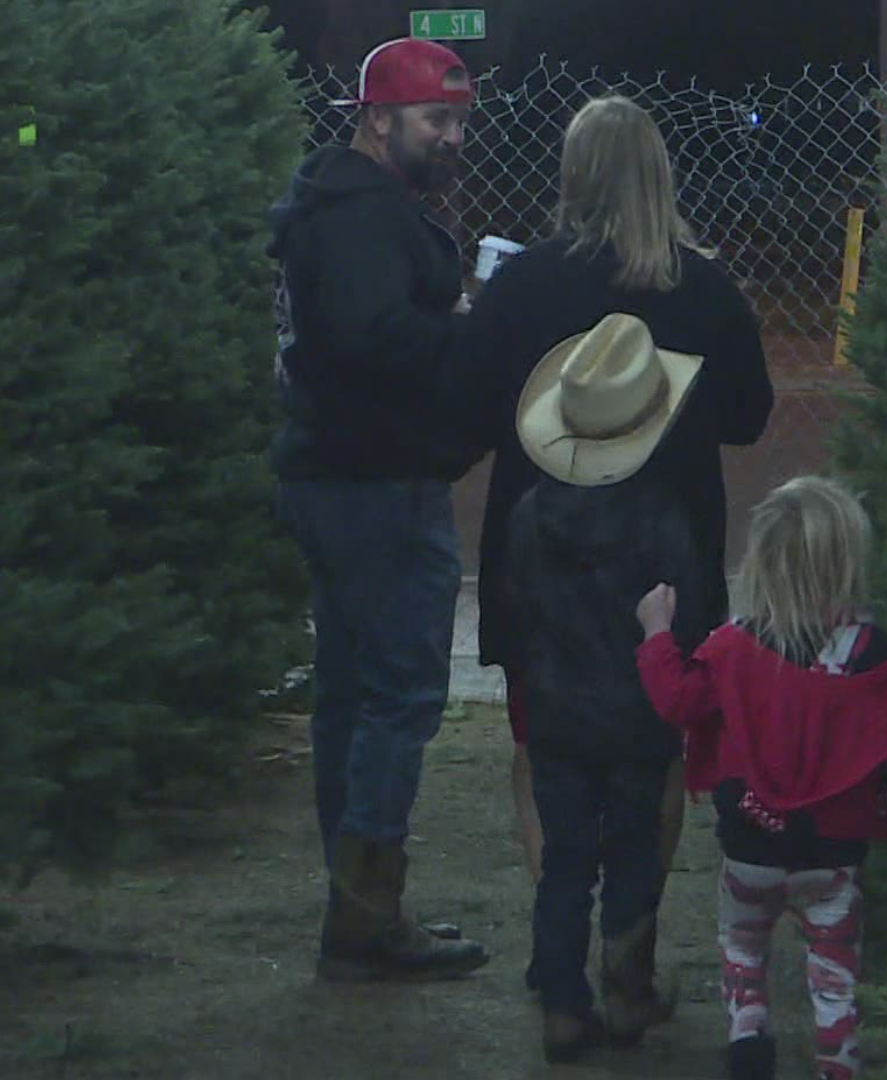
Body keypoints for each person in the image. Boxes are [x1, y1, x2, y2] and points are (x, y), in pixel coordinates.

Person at [460, 94, 774, 984]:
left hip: (540, 559)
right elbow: (749, 420)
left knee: (540, 748)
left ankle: (559, 947)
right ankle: (627, 951)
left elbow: (468, 404)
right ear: (661, 176)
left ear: (572, 176)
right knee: (659, 753)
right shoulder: (707, 289)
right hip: (666, 568)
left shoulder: (525, 283)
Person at [267, 36, 488, 982]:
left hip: (334, 478)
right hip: (375, 485)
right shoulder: (362, 218)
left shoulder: (343, 204)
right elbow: (375, 337)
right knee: (398, 696)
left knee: (352, 698)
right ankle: (365, 914)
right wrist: (468, 327)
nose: (451, 139)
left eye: (458, 122)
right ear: (377, 118)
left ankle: (353, 904)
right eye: (435, 121)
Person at [634, 477, 887, 1080]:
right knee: (835, 976)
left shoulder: (733, 646)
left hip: (751, 842)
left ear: (762, 559)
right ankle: (837, 1065)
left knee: (743, 949)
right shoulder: (871, 650)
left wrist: (656, 632)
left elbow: (677, 700)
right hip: (834, 853)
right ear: (849, 559)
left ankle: (749, 1045)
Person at [501, 313, 722, 1060]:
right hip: (639, 714)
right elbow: (688, 615)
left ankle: (562, 1002)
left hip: (560, 714)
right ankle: (629, 992)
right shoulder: (663, 519)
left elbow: (517, 606)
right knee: (633, 853)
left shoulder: (530, 516)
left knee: (565, 860)